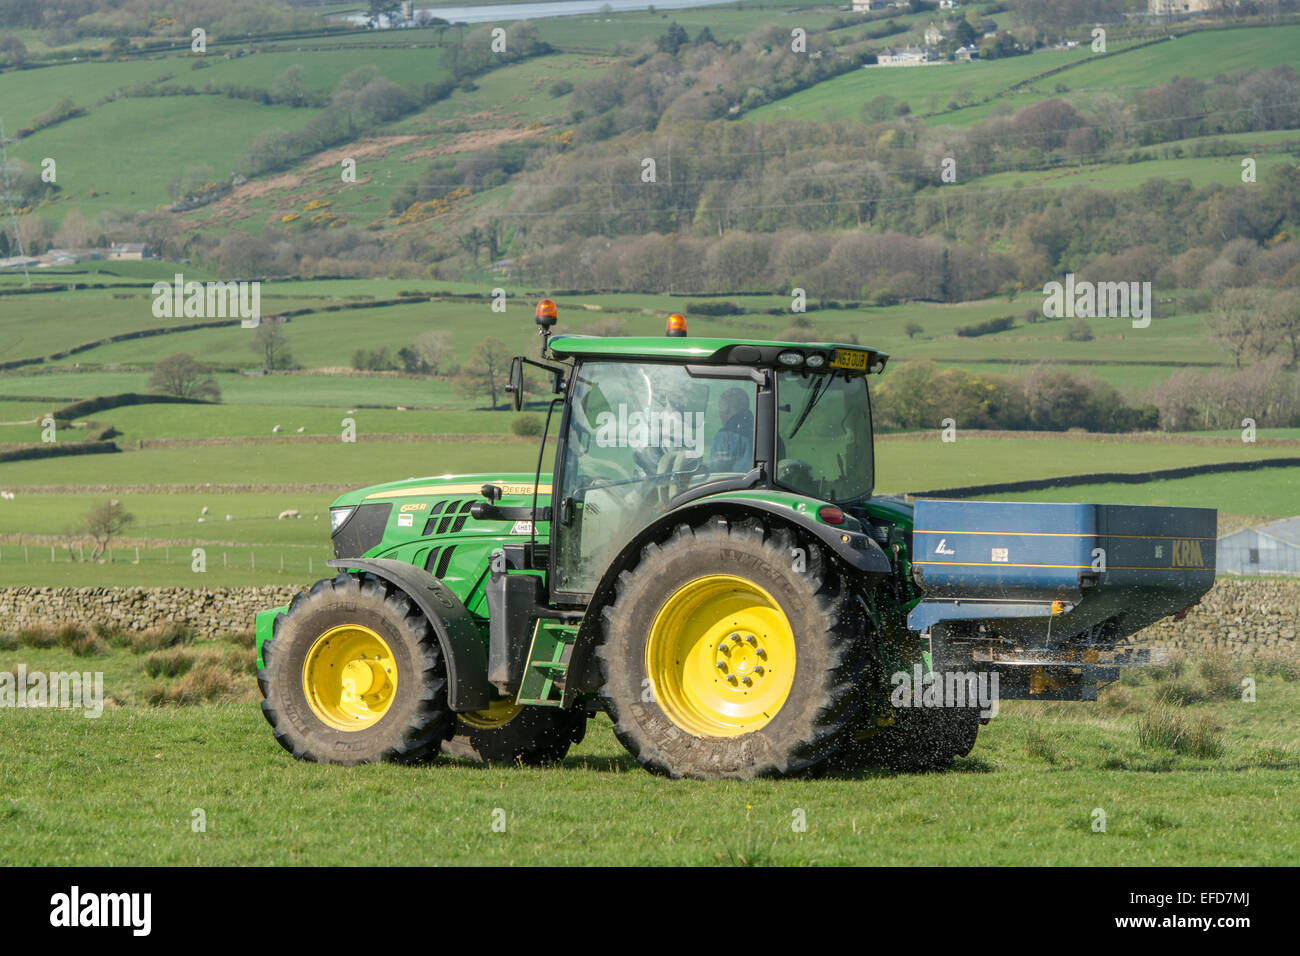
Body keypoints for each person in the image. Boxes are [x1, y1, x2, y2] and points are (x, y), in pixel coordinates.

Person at [709, 387, 753, 472]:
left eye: (720, 408)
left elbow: (714, 473)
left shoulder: (724, 437)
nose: (719, 413)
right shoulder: (773, 437)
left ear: (727, 409)